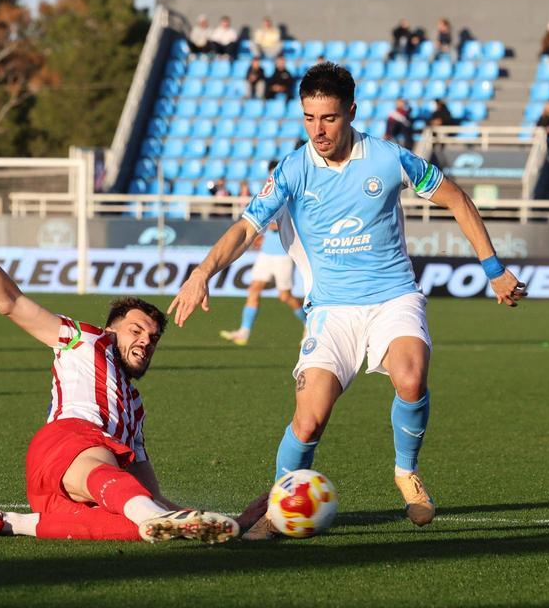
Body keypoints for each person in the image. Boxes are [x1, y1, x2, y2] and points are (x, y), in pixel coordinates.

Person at [167, 62, 525, 537]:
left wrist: (494, 269)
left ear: (351, 112)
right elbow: (244, 228)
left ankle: (406, 472)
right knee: (309, 420)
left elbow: (457, 198)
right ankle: (279, 509)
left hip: (393, 296)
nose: (318, 130)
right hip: (331, 310)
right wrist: (201, 273)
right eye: (309, 118)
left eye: (329, 118)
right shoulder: (293, 169)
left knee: (411, 379)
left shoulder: (389, 158)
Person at [0, 207, 238, 544]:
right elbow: (10, 302)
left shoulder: (135, 409)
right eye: (136, 330)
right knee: (121, 486)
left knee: (135, 527)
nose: (145, 341)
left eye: (152, 338)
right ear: (112, 329)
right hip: (67, 441)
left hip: (62, 494)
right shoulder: (84, 338)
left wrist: (223, 524)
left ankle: (9, 522)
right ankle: (150, 518)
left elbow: (149, 494)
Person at [220, 167, 308, 346]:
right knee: (254, 288)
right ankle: (244, 332)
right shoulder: (268, 192)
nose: (272, 176)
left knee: (285, 296)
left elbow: (277, 223)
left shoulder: (290, 193)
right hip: (266, 252)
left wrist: (262, 221)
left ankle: (310, 325)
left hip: (283, 253)